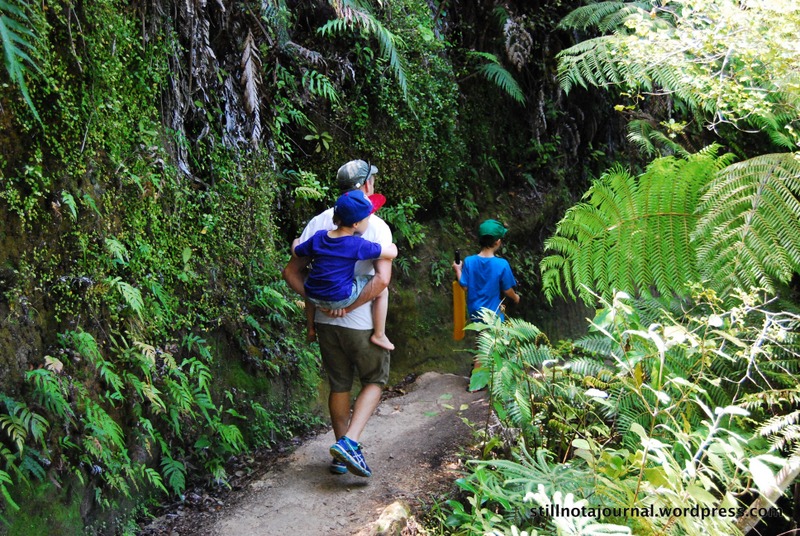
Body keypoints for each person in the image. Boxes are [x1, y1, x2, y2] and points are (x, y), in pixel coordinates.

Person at [282, 159, 393, 478]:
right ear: (367, 186)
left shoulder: (317, 223)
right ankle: (350, 442)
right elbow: (382, 279)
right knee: (374, 379)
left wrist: (321, 304)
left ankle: (340, 454)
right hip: (362, 324)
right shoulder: (375, 225)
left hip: (325, 324)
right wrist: (348, 304)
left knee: (339, 385)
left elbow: (291, 272)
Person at [293, 189, 397, 351]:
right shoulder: (356, 244)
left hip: (314, 295)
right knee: (382, 290)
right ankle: (379, 334)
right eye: (367, 218)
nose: (369, 221)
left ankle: (310, 328)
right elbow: (391, 254)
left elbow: (297, 250)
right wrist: (393, 247)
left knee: (314, 277)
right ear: (356, 224)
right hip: (340, 298)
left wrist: (295, 242)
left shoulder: (319, 237)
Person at [452, 218, 521, 322]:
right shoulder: (502, 264)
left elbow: (465, 287)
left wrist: (458, 270)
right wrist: (516, 297)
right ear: (498, 242)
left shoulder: (469, 261)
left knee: (481, 336)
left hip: (475, 314)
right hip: (493, 316)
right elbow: (507, 290)